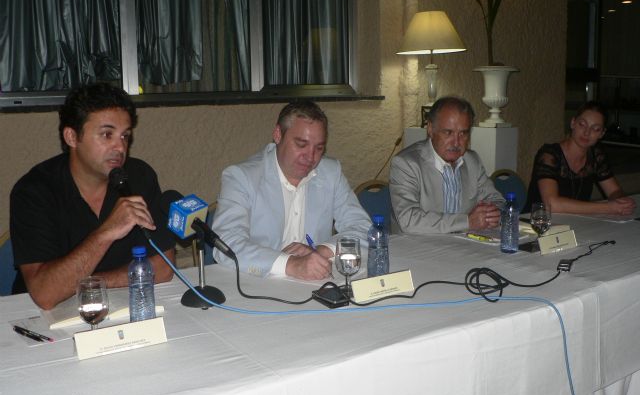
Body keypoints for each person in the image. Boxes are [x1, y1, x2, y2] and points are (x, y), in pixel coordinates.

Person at [10, 83, 176, 309]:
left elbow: (163, 267)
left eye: (125, 136)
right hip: (42, 317)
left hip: (118, 305)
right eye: (107, 134)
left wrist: (87, 284)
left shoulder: (139, 176)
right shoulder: (34, 191)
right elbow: (46, 294)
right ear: (71, 137)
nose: (120, 147)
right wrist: (107, 232)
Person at [211, 101, 371, 280]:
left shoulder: (331, 173)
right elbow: (225, 245)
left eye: (319, 148)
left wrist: (321, 251)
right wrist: (292, 264)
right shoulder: (241, 177)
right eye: (301, 145)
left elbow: (364, 228)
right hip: (259, 282)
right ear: (278, 134)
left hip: (317, 282)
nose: (310, 157)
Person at [389, 96, 503, 234]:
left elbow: (497, 200)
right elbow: (408, 220)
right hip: (418, 244)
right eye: (448, 133)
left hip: (465, 242)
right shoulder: (406, 164)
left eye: (463, 133)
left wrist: (492, 213)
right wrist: (467, 222)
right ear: (430, 129)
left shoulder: (472, 160)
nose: (456, 142)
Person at [525, 101, 636, 215]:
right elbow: (552, 204)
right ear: (573, 123)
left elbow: (614, 191)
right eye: (582, 124)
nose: (587, 133)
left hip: (576, 221)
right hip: (537, 221)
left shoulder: (596, 155)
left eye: (596, 129)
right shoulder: (549, 154)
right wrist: (608, 207)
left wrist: (621, 202)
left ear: (602, 134)